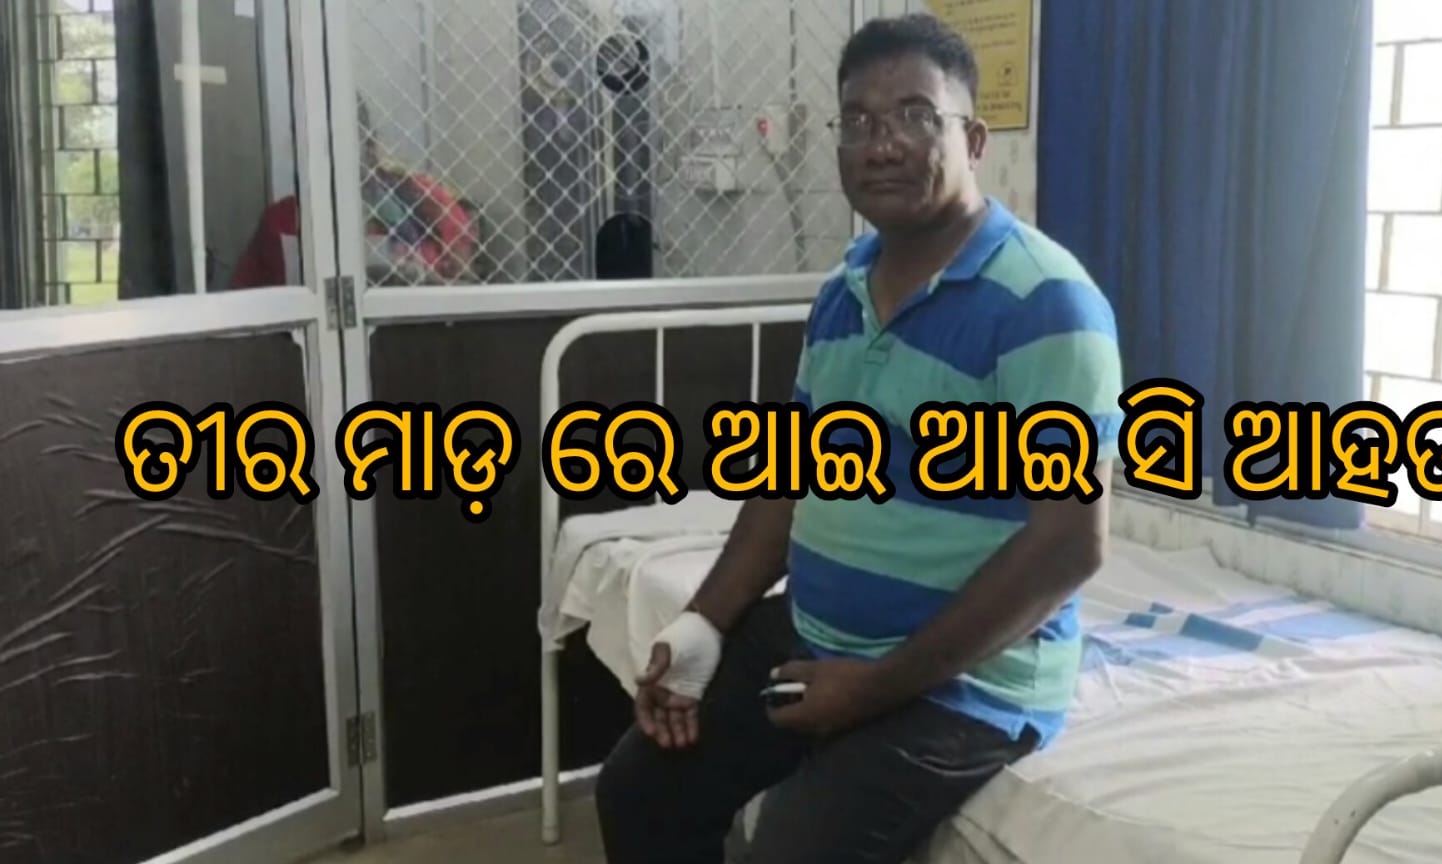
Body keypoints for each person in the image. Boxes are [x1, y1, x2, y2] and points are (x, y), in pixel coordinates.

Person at [594, 13, 1123, 864]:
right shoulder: (842, 293)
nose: (882, 144)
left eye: (915, 115)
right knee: (640, 788)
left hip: (963, 684)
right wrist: (700, 625)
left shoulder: (1044, 304)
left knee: (790, 852)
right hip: (817, 634)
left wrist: (874, 689)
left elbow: (1068, 546)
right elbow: (786, 488)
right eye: (859, 121)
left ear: (972, 140)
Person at [231, 97, 476, 289]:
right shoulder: (283, 220)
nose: (330, 154)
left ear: (369, 142)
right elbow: (248, 306)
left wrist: (423, 278)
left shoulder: (425, 199)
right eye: (316, 143)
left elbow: (466, 290)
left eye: (342, 138)